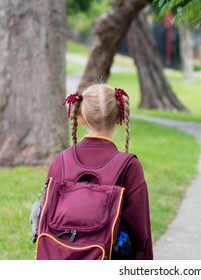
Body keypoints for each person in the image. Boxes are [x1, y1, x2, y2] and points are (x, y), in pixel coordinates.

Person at [45, 83, 153, 260]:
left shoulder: (60, 162)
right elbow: (140, 235)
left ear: (79, 117)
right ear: (120, 118)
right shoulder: (129, 166)